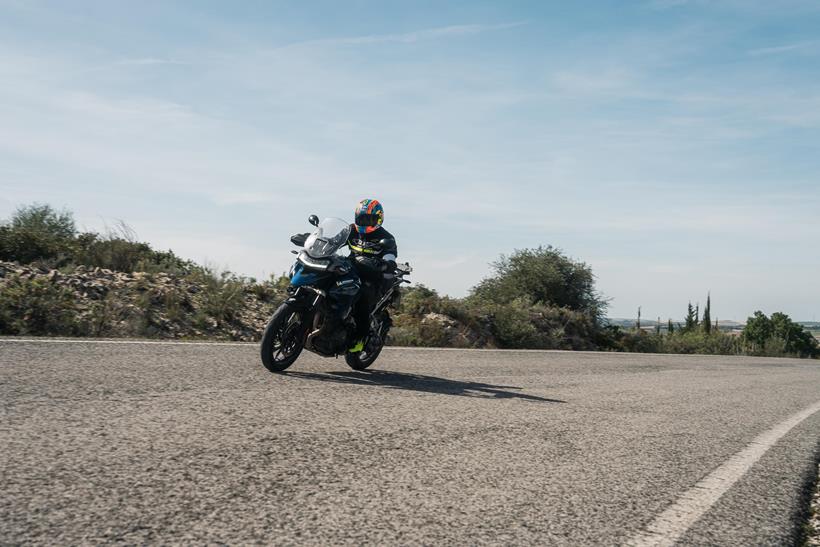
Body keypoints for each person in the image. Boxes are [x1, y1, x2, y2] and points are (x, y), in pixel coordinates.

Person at [346, 199, 398, 352]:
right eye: (362, 218)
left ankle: (360, 337)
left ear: (378, 219)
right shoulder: (351, 230)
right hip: (352, 269)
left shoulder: (387, 238)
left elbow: (390, 256)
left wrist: (386, 264)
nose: (365, 222)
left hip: (373, 277)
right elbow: (333, 239)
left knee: (362, 297)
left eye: (369, 219)